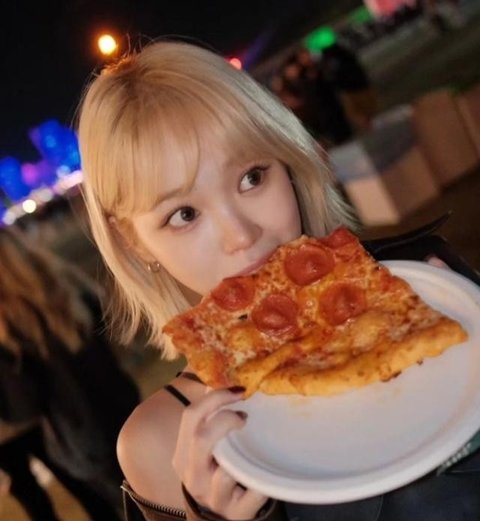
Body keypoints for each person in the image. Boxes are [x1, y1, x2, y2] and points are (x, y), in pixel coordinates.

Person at [77, 40, 480, 521]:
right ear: (136, 242)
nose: (240, 236)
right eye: (184, 214)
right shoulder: (162, 442)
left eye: (251, 177)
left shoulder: (426, 287)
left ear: (286, 160)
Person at [0, 225, 139, 520]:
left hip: (81, 440)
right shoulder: (64, 282)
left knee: (135, 508)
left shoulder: (9, 330)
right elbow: (117, 338)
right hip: (125, 407)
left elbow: (24, 408)